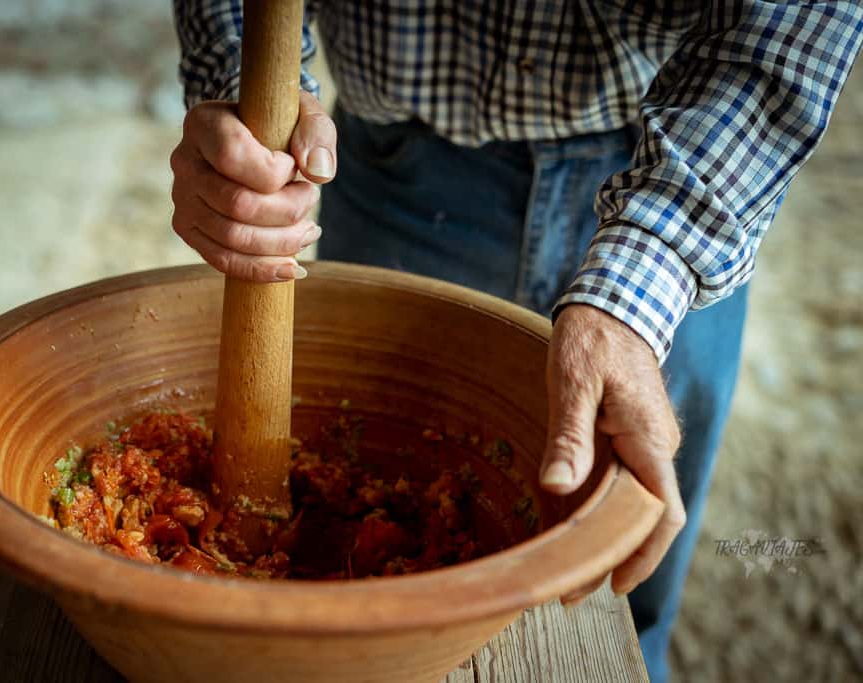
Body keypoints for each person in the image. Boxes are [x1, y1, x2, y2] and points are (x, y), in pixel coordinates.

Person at [169, 3, 863, 680]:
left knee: (629, 565)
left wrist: (650, 268)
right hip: (396, 169)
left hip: (682, 170)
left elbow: (790, 25)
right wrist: (239, 94)